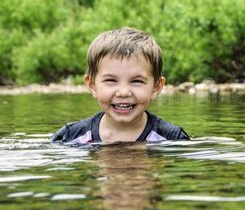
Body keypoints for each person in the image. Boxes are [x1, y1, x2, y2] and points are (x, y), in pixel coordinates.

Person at [50, 27, 190, 144]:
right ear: (92, 85)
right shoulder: (70, 137)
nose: (123, 92)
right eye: (111, 80)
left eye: (136, 81)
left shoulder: (172, 139)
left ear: (156, 88)